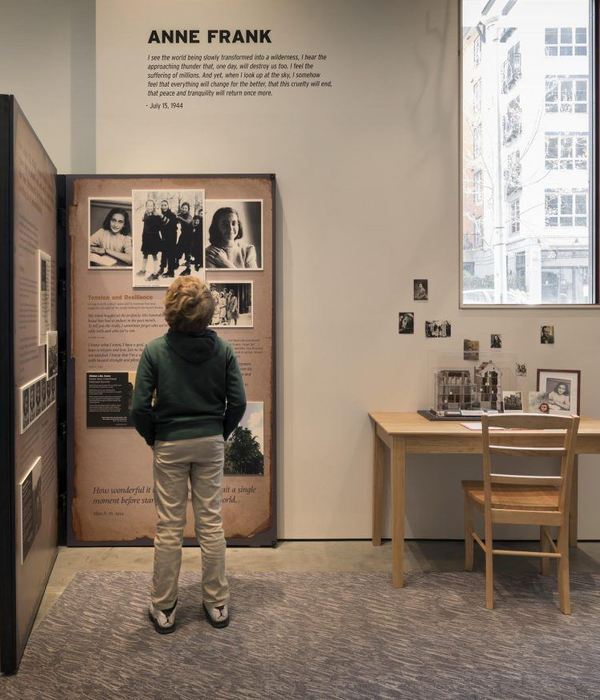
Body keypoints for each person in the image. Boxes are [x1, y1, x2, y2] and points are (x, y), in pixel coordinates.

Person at [131, 277, 246, 634]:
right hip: (209, 441)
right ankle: (217, 603)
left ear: (170, 310)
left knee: (169, 526)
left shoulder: (154, 351)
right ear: (209, 313)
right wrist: (219, 432)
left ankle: (164, 606)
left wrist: (156, 437)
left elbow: (138, 408)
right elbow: (238, 402)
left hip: (170, 443)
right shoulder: (224, 350)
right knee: (211, 523)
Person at [138, 200, 163, 280]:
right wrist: (143, 237)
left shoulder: (156, 216)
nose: (149, 207)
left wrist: (151, 218)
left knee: (154, 255)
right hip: (146, 238)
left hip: (153, 239)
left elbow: (158, 228)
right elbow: (145, 228)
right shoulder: (145, 214)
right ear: (146, 206)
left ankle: (155, 274)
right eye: (148, 205)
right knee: (145, 254)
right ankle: (143, 270)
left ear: (154, 207)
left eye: (151, 206)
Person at [157, 200, 179, 277]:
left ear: (168, 206)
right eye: (162, 205)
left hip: (172, 236)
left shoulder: (172, 215)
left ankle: (171, 271)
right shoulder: (159, 215)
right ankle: (162, 268)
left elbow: (172, 224)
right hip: (164, 236)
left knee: (171, 253)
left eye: (165, 205)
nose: (163, 207)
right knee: (164, 253)